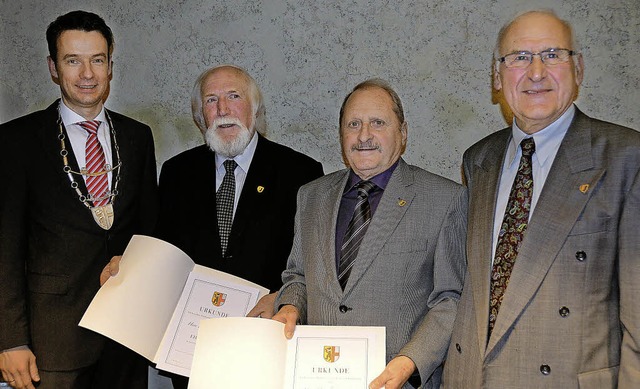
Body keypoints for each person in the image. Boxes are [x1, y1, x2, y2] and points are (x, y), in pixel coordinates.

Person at [443, 10, 640, 388]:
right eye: (518, 58)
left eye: (552, 54)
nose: (536, 72)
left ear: (578, 69)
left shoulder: (625, 157)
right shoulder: (479, 160)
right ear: (497, 78)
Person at [272, 78, 467, 389]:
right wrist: (290, 306)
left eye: (378, 122)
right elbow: (297, 276)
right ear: (341, 135)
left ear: (402, 133)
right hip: (317, 376)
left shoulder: (444, 199)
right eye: (353, 124)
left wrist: (411, 361)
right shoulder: (311, 196)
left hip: (396, 379)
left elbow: (451, 297)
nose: (364, 135)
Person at [0, 10, 157, 389]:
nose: (87, 74)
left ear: (110, 67)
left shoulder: (137, 137)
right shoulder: (16, 141)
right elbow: (4, 248)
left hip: (125, 337)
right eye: (73, 60)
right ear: (54, 67)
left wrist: (135, 260)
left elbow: (149, 229)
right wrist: (10, 341)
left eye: (97, 60)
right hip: (52, 342)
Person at [137, 64, 321, 388]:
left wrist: (282, 297)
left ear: (255, 109)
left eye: (233, 96)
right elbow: (164, 255)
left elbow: (315, 264)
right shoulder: (177, 173)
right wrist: (130, 267)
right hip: (194, 354)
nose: (222, 109)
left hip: (268, 345)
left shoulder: (300, 173)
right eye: (211, 101)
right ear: (199, 117)